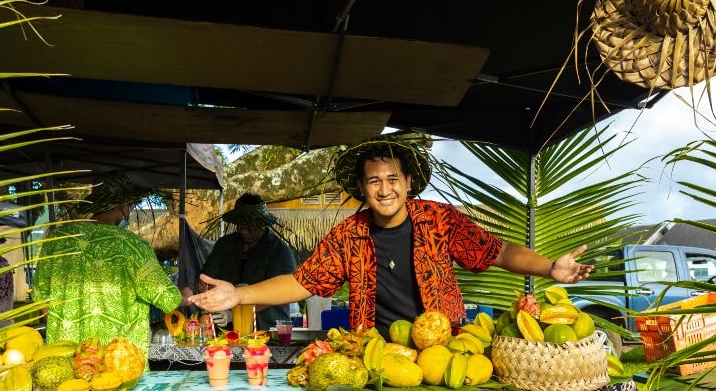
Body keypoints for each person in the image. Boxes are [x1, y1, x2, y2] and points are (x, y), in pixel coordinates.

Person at [188, 134, 593, 340]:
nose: (384, 190)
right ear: (362, 190)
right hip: (375, 351)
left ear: (408, 182)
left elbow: (498, 252)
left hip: (444, 348)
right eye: (374, 182)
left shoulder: (440, 220)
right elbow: (301, 282)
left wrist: (548, 268)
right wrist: (240, 295)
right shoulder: (348, 235)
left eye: (392, 179)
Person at [31, 172, 184, 359]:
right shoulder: (131, 246)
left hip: (67, 358)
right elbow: (167, 298)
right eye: (130, 206)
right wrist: (184, 296)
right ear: (123, 205)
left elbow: (41, 300)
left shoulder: (58, 240)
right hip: (118, 361)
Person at [198, 193, 299, 331]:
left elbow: (281, 292)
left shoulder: (280, 251)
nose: (244, 231)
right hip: (225, 331)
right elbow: (205, 278)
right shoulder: (225, 244)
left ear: (262, 223)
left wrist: (233, 312)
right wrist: (204, 286)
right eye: (241, 225)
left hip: (268, 330)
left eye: (250, 226)